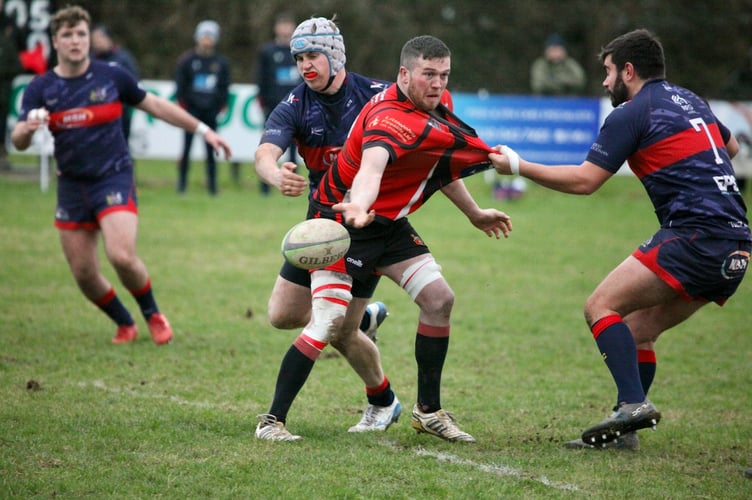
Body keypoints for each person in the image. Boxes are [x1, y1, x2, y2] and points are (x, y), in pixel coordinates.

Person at [491, 29, 750, 450]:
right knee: (636, 330)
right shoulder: (691, 100)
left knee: (600, 306)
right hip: (737, 246)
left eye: (609, 71)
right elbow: (732, 146)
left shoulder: (632, 112)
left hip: (695, 237)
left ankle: (632, 403)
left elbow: (584, 181)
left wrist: (519, 165)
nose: (605, 82)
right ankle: (625, 432)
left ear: (629, 70)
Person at [255, 33, 512, 442]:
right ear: (405, 74)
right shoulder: (378, 112)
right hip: (340, 222)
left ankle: (427, 410)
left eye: (443, 75)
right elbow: (370, 167)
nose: (437, 83)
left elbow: (435, 167)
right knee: (314, 321)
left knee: (439, 299)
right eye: (429, 74)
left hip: (385, 223)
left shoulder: (421, 102)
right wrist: (352, 202)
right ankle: (271, 422)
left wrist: (475, 213)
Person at [11, 5, 232, 345]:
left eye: (81, 34)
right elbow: (19, 141)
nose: (76, 41)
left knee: (121, 256)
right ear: (56, 41)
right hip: (71, 184)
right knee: (84, 274)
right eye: (68, 35)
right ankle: (124, 321)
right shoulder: (41, 89)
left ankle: (153, 314)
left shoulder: (111, 76)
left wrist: (204, 130)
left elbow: (156, 105)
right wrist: (27, 127)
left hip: (113, 177)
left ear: (89, 38)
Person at [175, 20, 230, 195]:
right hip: (191, 112)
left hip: (210, 112)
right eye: (204, 36)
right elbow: (181, 86)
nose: (207, 40)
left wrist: (218, 106)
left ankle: (213, 187)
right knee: (186, 149)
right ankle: (182, 185)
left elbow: (224, 87)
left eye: (210, 36)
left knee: (212, 150)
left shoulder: (221, 63)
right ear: (198, 38)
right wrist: (186, 107)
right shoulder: (187, 61)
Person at [255, 13, 301, 195]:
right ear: (276, 28)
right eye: (282, 24)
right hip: (273, 108)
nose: (285, 29)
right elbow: (261, 79)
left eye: (288, 24)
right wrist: (264, 102)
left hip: (296, 108)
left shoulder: (300, 51)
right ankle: (265, 186)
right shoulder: (267, 52)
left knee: (294, 150)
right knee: (268, 147)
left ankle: (293, 185)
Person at [91, 24, 140, 144]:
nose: (97, 43)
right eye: (94, 40)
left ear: (109, 39)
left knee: (121, 145)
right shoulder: (88, 59)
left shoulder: (123, 58)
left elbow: (134, 81)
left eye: (100, 38)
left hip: (120, 111)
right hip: (94, 112)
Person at [0, 17, 22, 171]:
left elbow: (16, 67)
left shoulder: (5, 44)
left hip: (1, 96)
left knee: (1, 126)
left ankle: (2, 154)